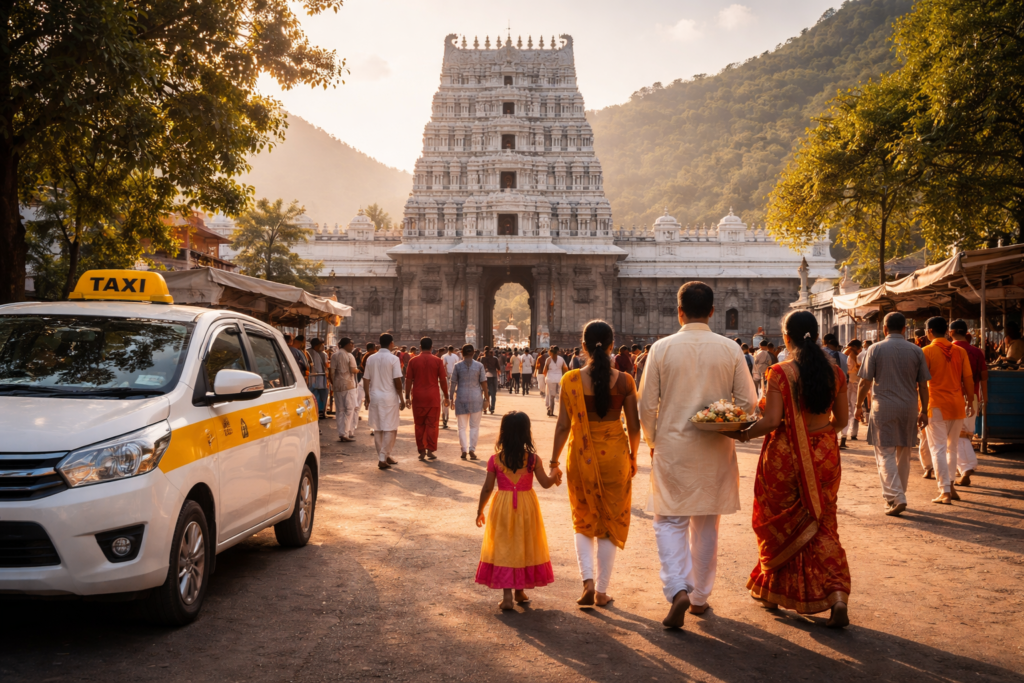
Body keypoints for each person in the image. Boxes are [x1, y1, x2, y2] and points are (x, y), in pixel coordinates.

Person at [638, 281, 758, 628]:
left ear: (679, 312)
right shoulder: (730, 349)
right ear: (712, 312)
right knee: (706, 524)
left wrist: (651, 439)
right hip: (715, 447)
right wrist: (721, 420)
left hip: (672, 446)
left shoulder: (661, 349)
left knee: (669, 521)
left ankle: (677, 588)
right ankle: (700, 598)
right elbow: (748, 403)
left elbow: (647, 405)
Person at [727, 310, 851, 629]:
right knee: (823, 522)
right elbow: (843, 421)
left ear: (786, 337)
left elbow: (770, 422)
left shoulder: (780, 372)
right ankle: (836, 594)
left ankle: (773, 592)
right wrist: (818, 436)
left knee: (780, 522)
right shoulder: (835, 372)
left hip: (784, 458)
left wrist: (741, 433)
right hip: (825, 452)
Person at [550, 320, 640, 607]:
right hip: (615, 458)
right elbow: (635, 428)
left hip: (581, 458)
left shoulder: (570, 379)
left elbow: (563, 426)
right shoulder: (625, 381)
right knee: (609, 521)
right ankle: (602, 591)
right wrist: (634, 456)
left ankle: (587, 581)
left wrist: (553, 461)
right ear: (612, 345)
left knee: (583, 519)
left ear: (584, 346)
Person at [475, 411, 560, 610]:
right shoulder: (533, 460)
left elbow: (488, 488)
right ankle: (520, 590)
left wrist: (480, 510)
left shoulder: (495, 460)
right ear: (526, 434)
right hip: (526, 507)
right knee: (523, 543)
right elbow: (546, 483)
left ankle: (508, 596)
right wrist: (555, 474)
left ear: (503, 433)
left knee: (505, 546)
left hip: (502, 507)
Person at [854, 312, 931, 516]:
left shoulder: (875, 349)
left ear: (884, 329)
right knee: (903, 452)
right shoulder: (916, 351)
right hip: (908, 408)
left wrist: (857, 406)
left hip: (883, 407)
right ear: (905, 329)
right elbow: (923, 385)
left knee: (885, 452)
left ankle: (896, 496)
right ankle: (898, 494)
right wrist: (924, 410)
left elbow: (864, 382)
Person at [921, 317, 974, 505]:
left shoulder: (926, 351)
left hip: (935, 405)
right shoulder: (960, 351)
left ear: (929, 331)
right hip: (957, 404)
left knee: (938, 449)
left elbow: (920, 383)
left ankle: (944, 491)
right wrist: (970, 402)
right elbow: (968, 378)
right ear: (945, 331)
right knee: (952, 448)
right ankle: (950, 486)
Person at [950, 321, 987, 486]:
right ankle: (962, 469)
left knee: (957, 436)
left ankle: (966, 468)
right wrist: (984, 399)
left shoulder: (949, 350)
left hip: (953, 396)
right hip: (972, 396)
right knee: (965, 434)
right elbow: (984, 377)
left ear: (951, 333)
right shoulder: (977, 351)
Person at [363, 333, 406, 470]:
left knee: (378, 428)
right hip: (389, 397)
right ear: (391, 344)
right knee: (390, 428)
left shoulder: (371, 358)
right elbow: (397, 381)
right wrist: (402, 398)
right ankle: (383, 457)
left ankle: (385, 455)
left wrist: (367, 396)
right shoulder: (393, 359)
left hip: (375, 396)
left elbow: (366, 379)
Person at [405, 337, 449, 462]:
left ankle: (421, 450)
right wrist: (446, 396)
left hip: (418, 397)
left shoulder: (413, 361)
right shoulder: (437, 361)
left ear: (420, 347)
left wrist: (407, 396)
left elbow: (408, 380)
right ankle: (430, 449)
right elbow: (443, 380)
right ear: (431, 347)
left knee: (419, 424)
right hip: (432, 397)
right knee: (432, 424)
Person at [450, 344, 488, 460]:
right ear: (473, 353)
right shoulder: (479, 366)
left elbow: (453, 383)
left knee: (461, 427)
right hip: (476, 397)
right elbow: (484, 383)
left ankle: (464, 450)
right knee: (474, 426)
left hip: (461, 397)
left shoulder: (457, 366)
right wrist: (486, 398)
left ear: (462, 353)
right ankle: (472, 449)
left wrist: (450, 398)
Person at [330, 337, 360, 443]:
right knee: (350, 410)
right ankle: (346, 432)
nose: (352, 346)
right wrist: (358, 370)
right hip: (349, 386)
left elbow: (331, 373)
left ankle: (341, 432)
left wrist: (334, 384)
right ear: (346, 345)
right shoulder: (349, 355)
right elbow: (353, 370)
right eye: (351, 344)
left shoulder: (334, 355)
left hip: (338, 386)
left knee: (340, 410)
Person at [840, 340, 863, 449]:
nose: (860, 350)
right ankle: (844, 437)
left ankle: (843, 437)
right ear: (855, 347)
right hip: (852, 384)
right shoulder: (852, 355)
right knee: (852, 409)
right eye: (859, 348)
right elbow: (855, 370)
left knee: (847, 409)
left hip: (846, 384)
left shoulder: (843, 353)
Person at [541, 346, 568, 417]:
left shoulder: (548, 360)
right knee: (560, 396)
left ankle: (551, 411)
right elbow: (566, 368)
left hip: (550, 379)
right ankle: (561, 412)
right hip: (559, 378)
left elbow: (544, 371)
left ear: (550, 351)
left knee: (551, 396)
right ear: (558, 351)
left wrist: (546, 377)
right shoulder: (561, 359)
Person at [308, 338, 329, 419]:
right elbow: (326, 365)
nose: (323, 346)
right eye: (322, 344)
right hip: (320, 378)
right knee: (321, 395)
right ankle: (320, 411)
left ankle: (316, 411)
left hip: (312, 379)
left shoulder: (308, 352)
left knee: (314, 394)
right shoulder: (322, 354)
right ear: (317, 345)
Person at [442, 345, 461, 429]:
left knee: (446, 395)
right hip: (451, 377)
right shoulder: (454, 356)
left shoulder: (445, 356)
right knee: (449, 395)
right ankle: (446, 416)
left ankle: (445, 417)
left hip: (448, 377)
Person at [480, 347, 501, 415]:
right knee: (493, 394)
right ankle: (492, 408)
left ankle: (485, 408)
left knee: (485, 393)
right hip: (493, 376)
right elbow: (498, 368)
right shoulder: (495, 359)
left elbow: (480, 368)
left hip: (485, 377)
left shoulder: (482, 359)